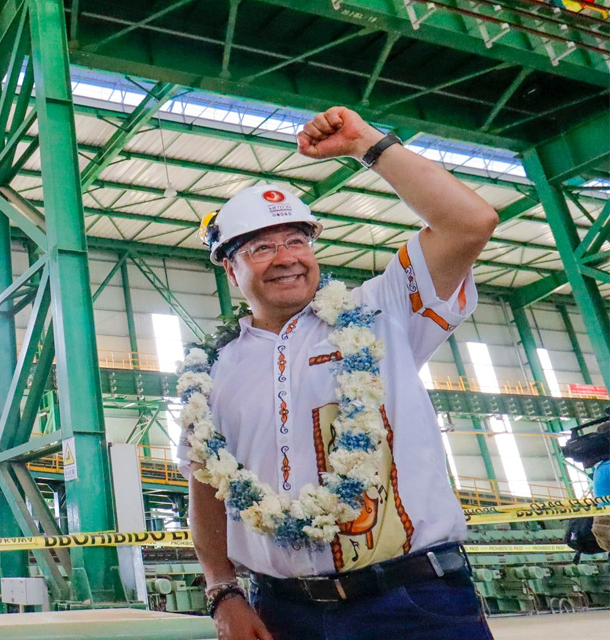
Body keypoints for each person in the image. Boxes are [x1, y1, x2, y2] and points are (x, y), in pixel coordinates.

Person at [183, 106, 499, 640]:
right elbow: (206, 484)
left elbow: (471, 222)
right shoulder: (213, 370)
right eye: (261, 247)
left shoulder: (382, 314)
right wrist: (223, 591)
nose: (286, 257)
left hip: (414, 603)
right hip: (282, 614)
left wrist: (366, 144)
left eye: (298, 240)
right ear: (228, 266)